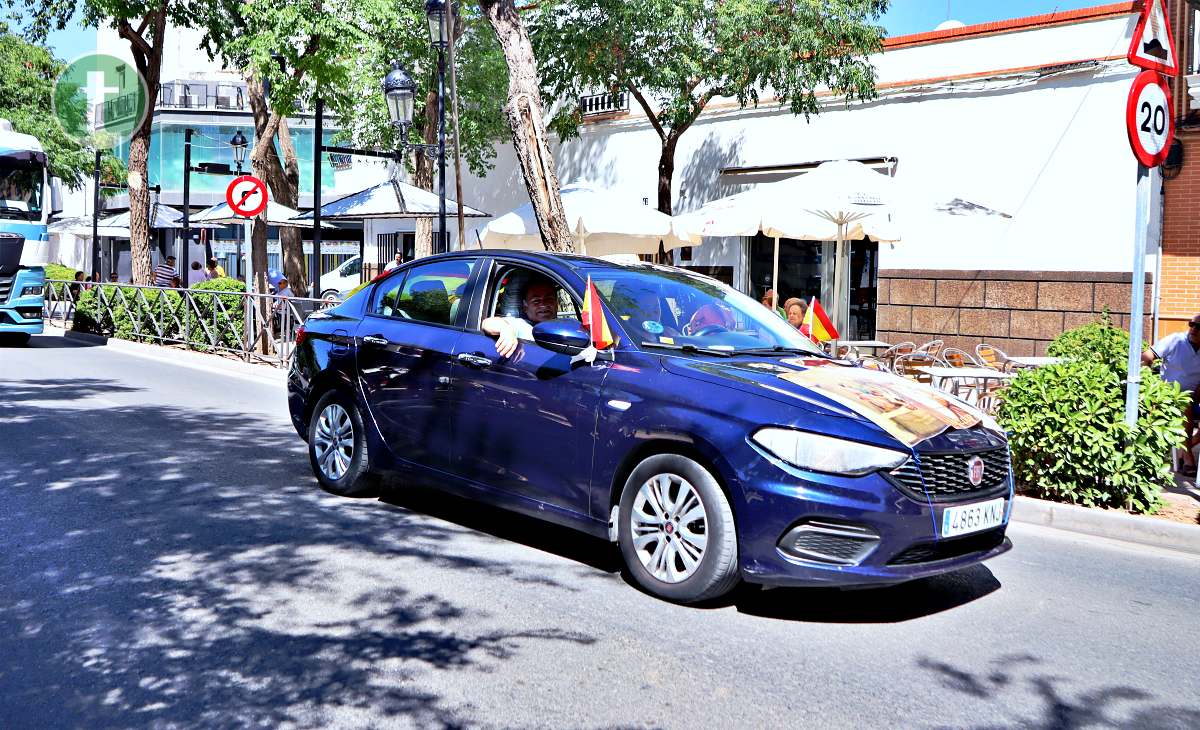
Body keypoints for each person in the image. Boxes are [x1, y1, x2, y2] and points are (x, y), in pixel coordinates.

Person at [1143, 313, 1200, 475]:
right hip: (1170, 397)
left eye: (1199, 327)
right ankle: (1188, 458)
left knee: (1188, 404)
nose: (1194, 329)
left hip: (1195, 399)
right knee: (1185, 405)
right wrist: (1148, 381)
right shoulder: (1176, 340)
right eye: (1192, 324)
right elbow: (1147, 356)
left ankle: (1184, 448)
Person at [481, 275, 560, 358]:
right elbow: (486, 323)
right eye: (536, 301)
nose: (543, 305)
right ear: (525, 307)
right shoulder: (520, 325)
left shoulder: (565, 327)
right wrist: (506, 329)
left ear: (556, 304)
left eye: (549, 299)